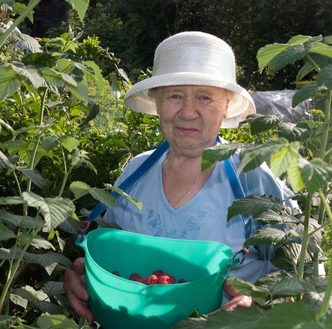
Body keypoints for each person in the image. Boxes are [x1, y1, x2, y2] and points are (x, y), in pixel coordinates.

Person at [64, 31, 296, 323]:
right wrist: (86, 277)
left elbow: (306, 273)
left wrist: (262, 305)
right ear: (157, 103)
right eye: (175, 96)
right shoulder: (135, 172)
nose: (188, 112)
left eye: (205, 97)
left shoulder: (251, 177)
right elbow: (112, 256)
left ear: (226, 107)